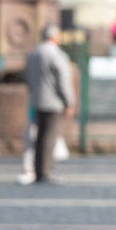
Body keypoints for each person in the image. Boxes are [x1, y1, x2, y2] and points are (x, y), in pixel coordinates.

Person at [22, 24, 75, 185]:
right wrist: (69, 101)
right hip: (54, 102)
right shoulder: (56, 54)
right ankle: (46, 171)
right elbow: (63, 80)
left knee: (39, 138)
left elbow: (28, 78)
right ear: (54, 36)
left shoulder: (34, 53)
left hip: (38, 100)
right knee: (49, 138)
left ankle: (38, 170)